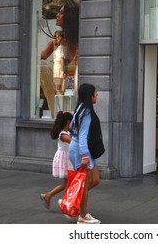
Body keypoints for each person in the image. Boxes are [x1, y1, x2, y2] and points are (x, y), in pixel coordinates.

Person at [68, 83, 101, 224]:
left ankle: (73, 199)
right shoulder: (86, 111)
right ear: (90, 95)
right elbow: (82, 136)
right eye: (95, 93)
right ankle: (82, 215)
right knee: (85, 183)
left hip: (82, 148)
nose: (97, 95)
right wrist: (85, 156)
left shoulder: (81, 108)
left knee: (95, 180)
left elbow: (71, 127)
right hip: (81, 150)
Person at [40, 0, 79, 114]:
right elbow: (36, 60)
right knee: (40, 66)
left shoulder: (80, 43)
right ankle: (56, 116)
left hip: (74, 93)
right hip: (58, 91)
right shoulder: (56, 42)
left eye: (61, 13)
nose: (57, 15)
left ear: (69, 17)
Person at [40, 111, 74, 209]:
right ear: (68, 122)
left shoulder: (67, 132)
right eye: (72, 121)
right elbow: (73, 142)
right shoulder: (63, 134)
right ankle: (66, 203)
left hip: (67, 158)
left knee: (69, 182)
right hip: (64, 159)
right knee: (70, 182)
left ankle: (48, 195)